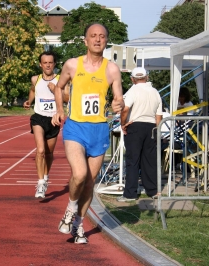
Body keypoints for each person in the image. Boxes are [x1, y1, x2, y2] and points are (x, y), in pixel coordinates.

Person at [51, 23, 124, 244]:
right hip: (76, 127)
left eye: (102, 36)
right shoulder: (72, 65)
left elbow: (119, 98)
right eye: (93, 36)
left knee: (90, 183)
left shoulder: (112, 69)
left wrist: (118, 104)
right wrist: (60, 109)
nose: (97, 39)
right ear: (85, 40)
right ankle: (70, 210)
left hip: (100, 130)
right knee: (80, 174)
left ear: (106, 41)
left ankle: (79, 225)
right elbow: (58, 86)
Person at [117, 67, 163, 202]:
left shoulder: (133, 91)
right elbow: (158, 115)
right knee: (149, 160)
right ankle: (153, 190)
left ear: (132, 79)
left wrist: (123, 123)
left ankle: (130, 193)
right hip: (151, 126)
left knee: (133, 160)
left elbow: (125, 108)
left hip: (135, 125)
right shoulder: (155, 92)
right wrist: (157, 129)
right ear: (147, 77)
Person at [23, 51, 61, 199]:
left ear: (54, 64)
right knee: (40, 150)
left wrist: (56, 90)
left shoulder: (60, 80)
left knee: (49, 153)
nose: (48, 65)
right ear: (40, 64)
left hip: (54, 119)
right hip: (38, 118)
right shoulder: (35, 79)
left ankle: (45, 177)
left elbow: (67, 97)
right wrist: (29, 101)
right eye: (45, 63)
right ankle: (40, 183)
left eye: (50, 62)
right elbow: (33, 90)